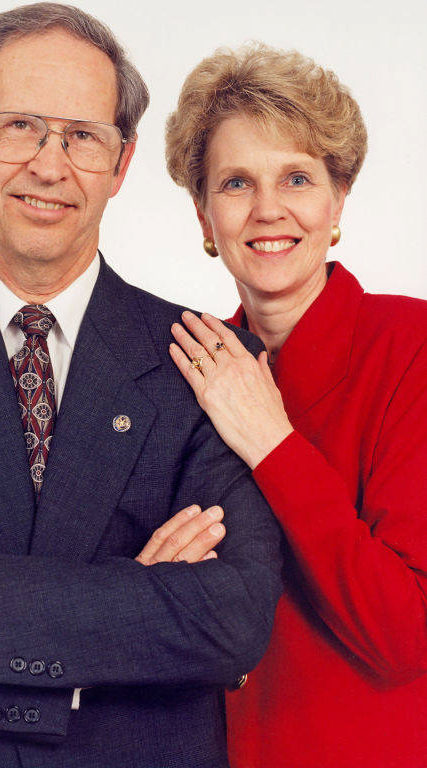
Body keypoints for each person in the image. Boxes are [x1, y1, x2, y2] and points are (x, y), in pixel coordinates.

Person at [0, 8, 283, 768]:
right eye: (19, 127)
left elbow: (230, 620)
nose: (50, 165)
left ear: (122, 162)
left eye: (81, 135)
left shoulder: (209, 359)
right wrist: (120, 615)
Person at [165, 43, 427, 768]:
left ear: (337, 200)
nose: (268, 209)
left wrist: (272, 445)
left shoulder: (411, 348)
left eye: (296, 178)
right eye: (236, 182)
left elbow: (404, 638)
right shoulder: (186, 371)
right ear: (202, 215)